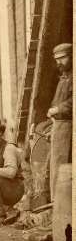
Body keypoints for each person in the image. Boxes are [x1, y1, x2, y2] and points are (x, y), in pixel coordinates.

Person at [47, 43, 72, 201]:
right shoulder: (64, 77)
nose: (59, 62)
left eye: (63, 58)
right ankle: (56, 203)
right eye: (57, 59)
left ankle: (62, 203)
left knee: (63, 164)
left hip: (68, 125)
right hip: (59, 125)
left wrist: (58, 109)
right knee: (55, 165)